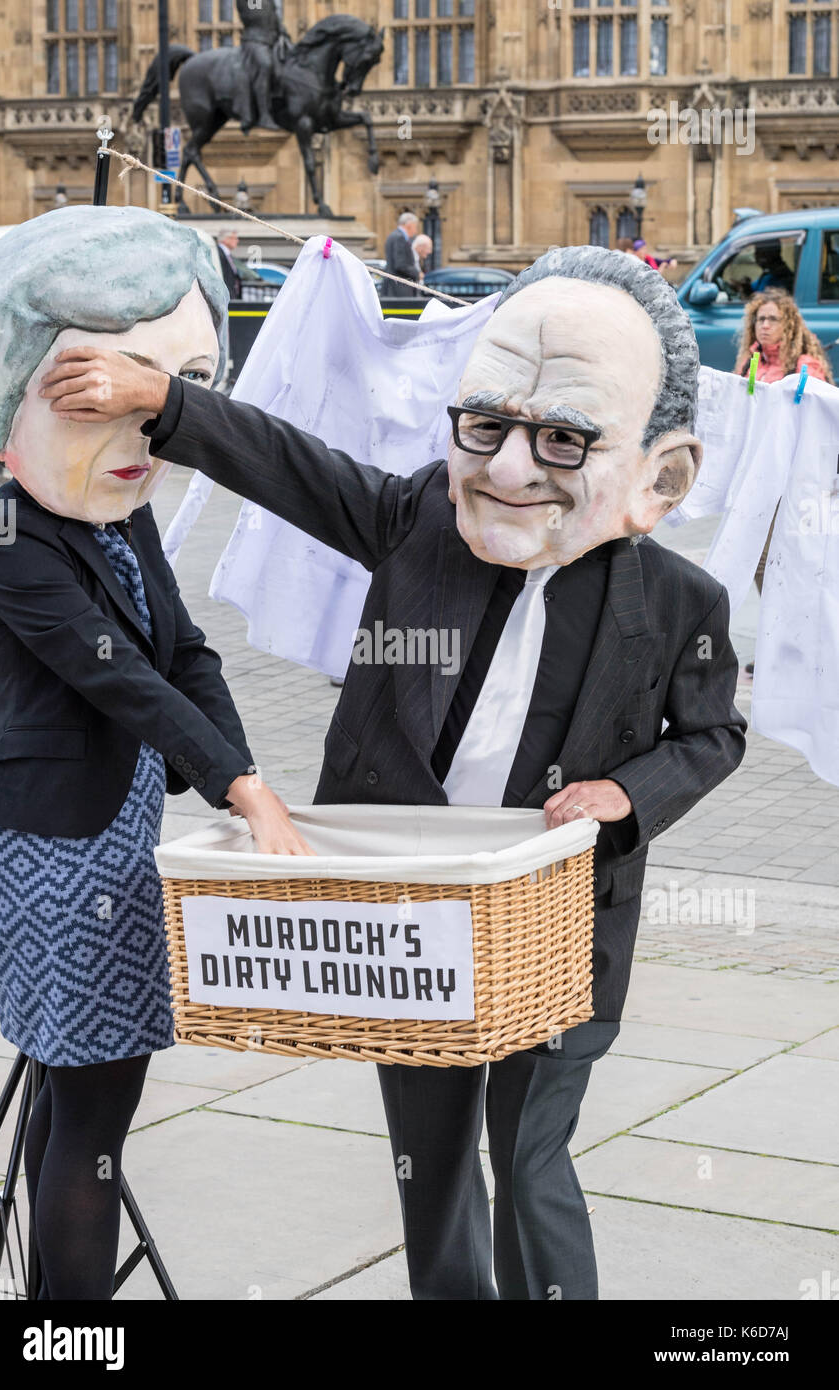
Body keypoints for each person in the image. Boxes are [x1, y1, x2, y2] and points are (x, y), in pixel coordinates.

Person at [40, 244, 746, 1301]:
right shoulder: (422, 515)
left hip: (557, 923)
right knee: (430, 1163)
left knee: (531, 1154)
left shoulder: (680, 603)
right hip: (414, 916)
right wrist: (165, 403)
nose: (508, 467)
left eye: (560, 438)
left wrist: (624, 795)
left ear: (654, 479)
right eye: (487, 424)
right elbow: (288, 463)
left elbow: (713, 735)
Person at [0, 205, 308, 1301]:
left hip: (117, 838)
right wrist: (239, 785)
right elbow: (114, 669)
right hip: (47, 848)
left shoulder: (120, 510)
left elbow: (187, 651)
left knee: (82, 1106)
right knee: (93, 1119)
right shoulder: (7, 529)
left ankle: (48, 1310)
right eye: (91, 394)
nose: (138, 438)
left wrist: (246, 789)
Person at [733, 288, 833, 668]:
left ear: (788, 323)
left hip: (794, 480)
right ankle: (782, 640)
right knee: (760, 563)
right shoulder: (750, 363)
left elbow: (813, 420)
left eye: (773, 318)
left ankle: (799, 642)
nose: (765, 325)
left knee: (793, 562)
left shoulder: (805, 364)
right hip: (759, 478)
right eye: (760, 318)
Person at [233, 0, 286, 134]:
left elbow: (273, 17)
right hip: (255, 40)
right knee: (265, 65)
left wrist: (282, 32)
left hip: (272, 40)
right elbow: (255, 14)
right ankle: (263, 115)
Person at [383, 212, 421, 296]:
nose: (416, 231)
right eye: (415, 226)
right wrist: (417, 273)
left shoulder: (393, 235)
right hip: (399, 288)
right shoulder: (400, 237)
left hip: (394, 287)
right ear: (409, 225)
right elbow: (401, 265)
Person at [216, 228, 244, 300]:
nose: (237, 241)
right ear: (226, 239)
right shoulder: (218, 253)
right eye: (234, 238)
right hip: (225, 297)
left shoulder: (227, 254)